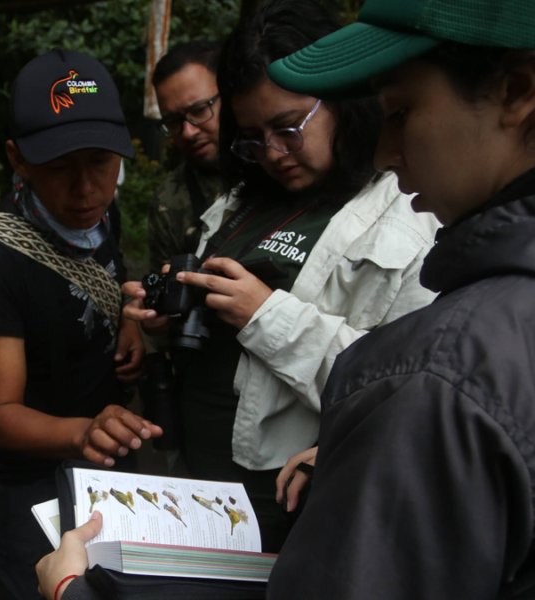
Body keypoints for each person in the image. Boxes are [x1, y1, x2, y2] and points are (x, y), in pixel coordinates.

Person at [131, 0, 442, 554]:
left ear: (344, 102)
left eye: (288, 127)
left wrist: (265, 315)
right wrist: (167, 314)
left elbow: (410, 393)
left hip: (293, 501)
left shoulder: (411, 214)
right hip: (199, 475)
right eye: (252, 137)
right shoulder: (240, 201)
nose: (273, 153)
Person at [263, 0, 535, 597]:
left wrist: (75, 588)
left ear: (516, 93)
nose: (386, 153)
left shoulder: (435, 376)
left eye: (401, 112)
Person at [0, 49, 162, 600]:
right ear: (18, 159)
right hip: (35, 479)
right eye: (61, 167)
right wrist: (83, 432)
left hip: (106, 454)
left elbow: (101, 277)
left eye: (101, 162)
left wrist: (126, 325)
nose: (86, 189)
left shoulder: (96, 215)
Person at [148, 40, 224, 272]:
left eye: (200, 110)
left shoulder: (278, 163)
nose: (188, 132)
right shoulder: (169, 202)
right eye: (173, 121)